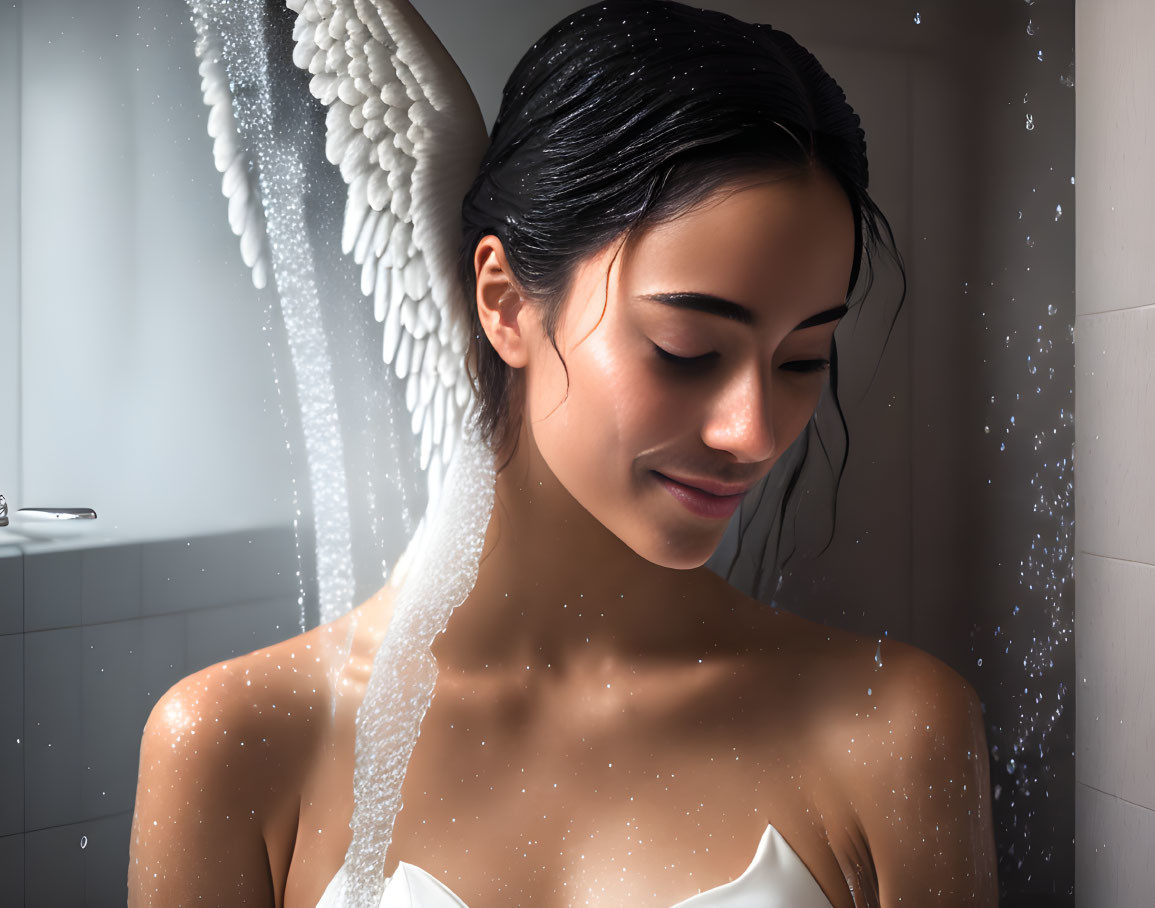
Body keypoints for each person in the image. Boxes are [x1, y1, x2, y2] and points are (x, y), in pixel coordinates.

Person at [128, 2, 998, 906]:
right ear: (504, 301)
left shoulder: (895, 731)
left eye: (801, 360)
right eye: (685, 350)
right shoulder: (235, 744)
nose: (755, 432)